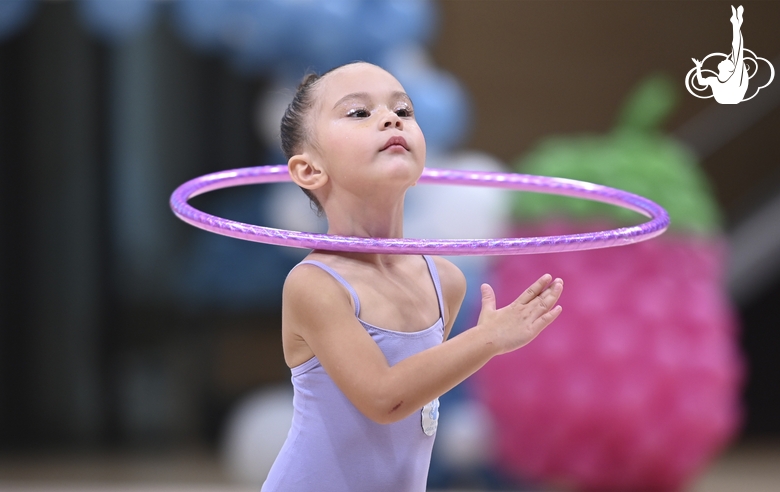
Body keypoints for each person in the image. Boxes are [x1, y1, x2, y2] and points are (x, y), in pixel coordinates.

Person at [261, 62, 564, 492]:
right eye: (358, 113)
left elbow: (421, 396)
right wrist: (489, 339)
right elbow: (386, 399)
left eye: (403, 110)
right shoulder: (315, 284)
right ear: (310, 170)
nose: (390, 118)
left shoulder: (445, 281)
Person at [692, 5, 748, 104]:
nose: (725, 59)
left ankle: (736, 23)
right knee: (736, 50)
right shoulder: (715, 80)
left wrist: (736, 25)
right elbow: (701, 82)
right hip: (728, 99)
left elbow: (737, 48)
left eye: (727, 61)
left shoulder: (734, 77)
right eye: (728, 60)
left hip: (733, 97)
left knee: (737, 50)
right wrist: (698, 67)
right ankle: (736, 23)